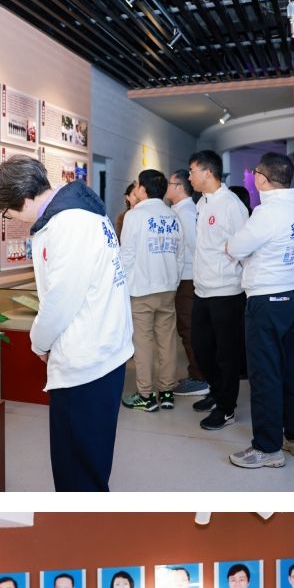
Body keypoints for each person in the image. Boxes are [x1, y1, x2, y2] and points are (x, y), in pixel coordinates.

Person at [0, 155, 132, 491]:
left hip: (88, 360)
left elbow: (61, 301)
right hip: (102, 350)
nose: (13, 219)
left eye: (8, 213)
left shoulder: (68, 224)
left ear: (22, 199)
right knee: (86, 461)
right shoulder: (83, 212)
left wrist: (38, 342)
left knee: (78, 469)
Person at [226, 152, 294, 468]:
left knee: (265, 374)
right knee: (293, 370)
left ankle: (267, 448)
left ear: (262, 179)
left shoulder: (267, 213)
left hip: (267, 300)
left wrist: (243, 252)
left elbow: (235, 247)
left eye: (255, 174)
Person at [188, 149, 249, 434]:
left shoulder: (231, 205)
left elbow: (244, 246)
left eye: (192, 172)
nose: (190, 177)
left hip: (226, 291)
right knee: (202, 348)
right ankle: (216, 391)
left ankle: (227, 408)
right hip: (202, 289)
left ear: (208, 172)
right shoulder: (202, 202)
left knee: (227, 353)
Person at [120, 168, 185, 411]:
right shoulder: (172, 216)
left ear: (144, 188)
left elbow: (126, 255)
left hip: (141, 289)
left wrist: (122, 286)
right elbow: (180, 255)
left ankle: (146, 395)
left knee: (143, 343)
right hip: (167, 288)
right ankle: (167, 392)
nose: (136, 188)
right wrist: (173, 282)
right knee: (167, 341)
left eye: (138, 184)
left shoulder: (134, 215)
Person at [165, 168, 207, 395]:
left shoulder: (187, 212)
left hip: (188, 278)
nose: (167, 188)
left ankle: (200, 378)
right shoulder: (178, 210)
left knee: (189, 328)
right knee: (186, 328)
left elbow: (194, 246)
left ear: (179, 188)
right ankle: (197, 373)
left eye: (170, 184)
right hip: (182, 277)